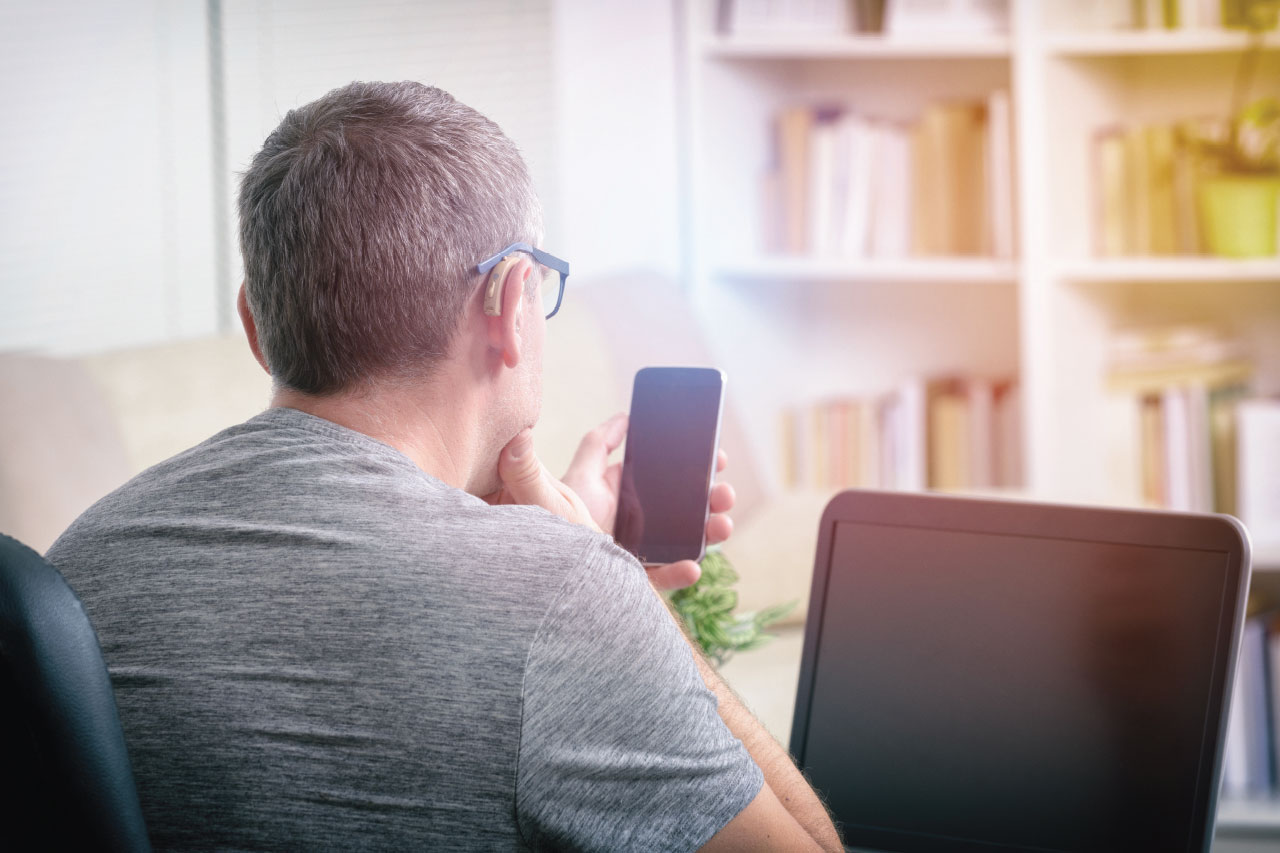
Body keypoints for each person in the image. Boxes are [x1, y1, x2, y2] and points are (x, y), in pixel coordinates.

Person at [47, 81, 842, 852]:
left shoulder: (73, 572)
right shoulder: (568, 598)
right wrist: (618, 588)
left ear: (254, 324)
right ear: (510, 304)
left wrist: (536, 552)